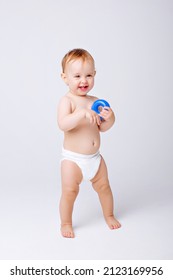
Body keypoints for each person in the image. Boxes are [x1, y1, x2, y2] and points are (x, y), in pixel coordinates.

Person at [57, 48, 121, 238]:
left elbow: (103, 128)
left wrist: (110, 118)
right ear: (65, 77)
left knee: (104, 187)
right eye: (77, 76)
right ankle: (66, 222)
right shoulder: (67, 101)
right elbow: (63, 124)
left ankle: (109, 215)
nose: (83, 81)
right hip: (73, 160)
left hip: (95, 159)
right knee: (69, 192)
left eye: (88, 75)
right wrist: (80, 114)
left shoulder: (95, 101)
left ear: (94, 75)